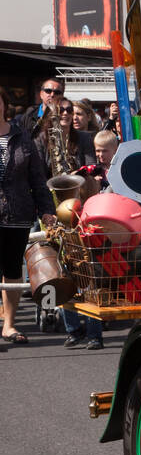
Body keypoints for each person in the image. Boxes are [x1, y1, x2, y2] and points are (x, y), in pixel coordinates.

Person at [0, 86, 57, 344]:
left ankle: (9, 325)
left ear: (4, 105)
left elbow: (37, 178)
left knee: (12, 269)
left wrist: (46, 210)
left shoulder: (23, 138)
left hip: (18, 214)